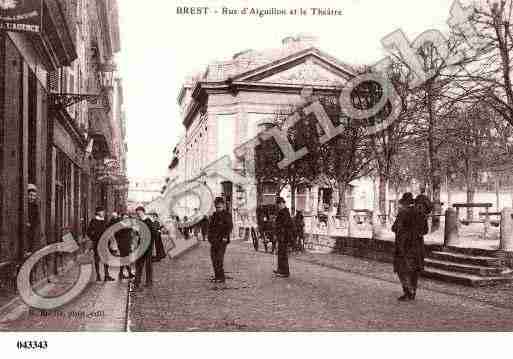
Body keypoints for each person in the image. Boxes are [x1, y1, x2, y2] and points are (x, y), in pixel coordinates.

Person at [391, 192, 428, 301]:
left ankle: (408, 291)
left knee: (401, 269)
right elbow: (425, 230)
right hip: (417, 246)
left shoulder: (403, 213)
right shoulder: (421, 214)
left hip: (404, 245)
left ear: (404, 203)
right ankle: (413, 293)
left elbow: (394, 228)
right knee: (414, 269)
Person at [207, 197, 233, 283]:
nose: (218, 209)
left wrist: (225, 237)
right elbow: (210, 227)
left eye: (220, 207)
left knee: (219, 258)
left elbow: (229, 227)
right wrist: (209, 237)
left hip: (222, 240)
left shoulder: (227, 215)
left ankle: (221, 277)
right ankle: (217, 275)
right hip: (214, 240)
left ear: (223, 206)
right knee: (213, 258)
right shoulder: (214, 215)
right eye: (217, 207)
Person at [87, 206, 115, 282]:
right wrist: (94, 239)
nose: (103, 213)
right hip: (97, 243)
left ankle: (106, 275)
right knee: (97, 259)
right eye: (102, 211)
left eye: (103, 211)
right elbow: (88, 232)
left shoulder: (104, 221)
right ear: (98, 212)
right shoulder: (93, 221)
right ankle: (98, 275)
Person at [133, 206, 155, 289]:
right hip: (140, 245)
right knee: (138, 263)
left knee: (148, 264)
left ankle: (149, 282)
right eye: (137, 213)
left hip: (148, 246)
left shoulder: (148, 221)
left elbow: (154, 233)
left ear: (143, 212)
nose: (138, 214)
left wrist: (149, 243)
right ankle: (137, 281)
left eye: (139, 213)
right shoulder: (139, 221)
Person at [273, 197, 294, 278]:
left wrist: (280, 234)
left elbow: (285, 225)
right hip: (281, 236)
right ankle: (280, 269)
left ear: (282, 203)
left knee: (283, 254)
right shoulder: (283, 212)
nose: (278, 206)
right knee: (280, 253)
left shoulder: (285, 212)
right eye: (278, 204)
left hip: (283, 236)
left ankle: (285, 272)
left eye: (279, 204)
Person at [111, 213, 135, 280]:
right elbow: (116, 234)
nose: (126, 219)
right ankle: (127, 273)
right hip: (122, 244)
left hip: (127, 244)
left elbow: (131, 234)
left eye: (127, 218)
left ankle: (121, 273)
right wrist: (119, 242)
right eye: (124, 218)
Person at [27, 184, 41, 254]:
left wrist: (31, 224)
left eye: (34, 196)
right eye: (30, 195)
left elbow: (37, 221)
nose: (32, 197)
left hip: (31, 233)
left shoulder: (35, 207)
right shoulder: (23, 205)